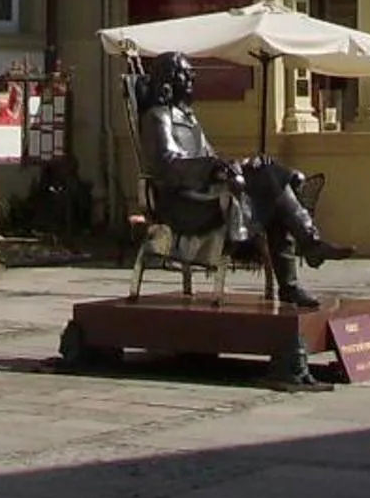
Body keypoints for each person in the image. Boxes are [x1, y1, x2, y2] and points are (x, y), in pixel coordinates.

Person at [130, 52, 344, 307]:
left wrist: (241, 164)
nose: (191, 79)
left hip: (206, 191)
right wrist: (217, 167)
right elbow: (169, 166)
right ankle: (307, 244)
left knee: (269, 180)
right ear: (168, 79)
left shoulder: (188, 117)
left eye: (191, 74)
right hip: (184, 203)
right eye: (185, 74)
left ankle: (298, 266)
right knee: (274, 187)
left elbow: (211, 158)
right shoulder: (158, 116)